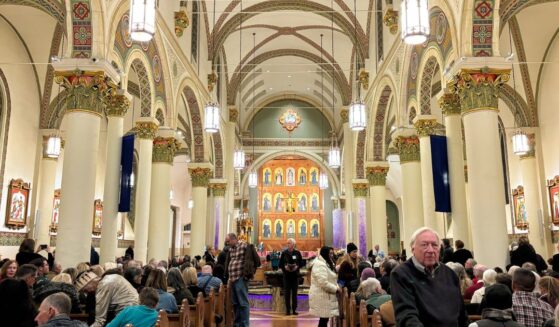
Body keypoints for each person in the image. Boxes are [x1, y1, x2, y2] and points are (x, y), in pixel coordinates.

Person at [390, 227, 467, 327]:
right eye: (424, 245)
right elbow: (406, 316)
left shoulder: (450, 274)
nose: (430, 250)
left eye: (434, 245)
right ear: (413, 249)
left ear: (440, 249)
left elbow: (462, 315)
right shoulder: (401, 274)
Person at [224, 232, 260, 327]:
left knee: (243, 303)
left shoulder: (244, 245)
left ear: (233, 239)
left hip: (241, 278)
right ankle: (237, 324)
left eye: (228, 242)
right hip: (232, 279)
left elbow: (255, 260)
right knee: (235, 303)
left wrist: (249, 273)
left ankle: (244, 325)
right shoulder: (231, 249)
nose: (227, 244)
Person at [309, 246, 340, 327]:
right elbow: (323, 283)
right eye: (330, 253)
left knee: (324, 320)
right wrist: (335, 289)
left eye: (332, 253)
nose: (331, 255)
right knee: (323, 320)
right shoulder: (320, 265)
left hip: (325, 296)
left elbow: (331, 278)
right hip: (322, 296)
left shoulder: (325, 263)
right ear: (324, 253)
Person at [279, 238, 303, 315]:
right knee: (287, 294)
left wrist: (297, 266)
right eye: (287, 243)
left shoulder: (297, 253)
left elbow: (301, 263)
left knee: (294, 294)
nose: (288, 244)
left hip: (295, 276)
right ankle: (288, 310)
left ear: (293, 244)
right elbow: (280, 264)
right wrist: (285, 267)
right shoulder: (284, 253)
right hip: (287, 276)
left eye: (289, 243)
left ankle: (294, 310)